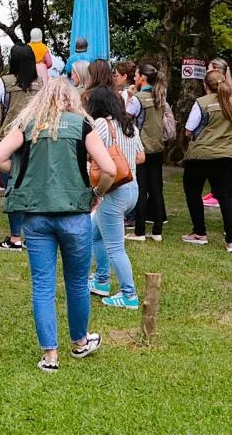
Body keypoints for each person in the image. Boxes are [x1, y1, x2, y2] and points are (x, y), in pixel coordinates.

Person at [0, 77, 114, 372]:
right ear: (71, 99)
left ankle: (50, 355)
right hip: (74, 214)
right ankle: (80, 342)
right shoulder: (81, 126)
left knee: (42, 285)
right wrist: (97, 193)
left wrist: (22, 170)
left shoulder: (28, 125)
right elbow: (108, 168)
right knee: (77, 282)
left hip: (36, 215)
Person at [85, 86, 144, 308]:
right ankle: (101, 280)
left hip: (112, 189)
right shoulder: (130, 125)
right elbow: (141, 156)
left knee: (115, 247)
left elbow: (89, 150)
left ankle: (129, 294)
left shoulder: (101, 125)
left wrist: (97, 188)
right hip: (132, 187)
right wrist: (123, 160)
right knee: (94, 234)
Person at [180, 70, 232, 252]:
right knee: (227, 196)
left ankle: (199, 232)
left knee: (193, 191)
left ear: (205, 85)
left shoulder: (201, 103)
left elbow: (189, 128)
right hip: (229, 154)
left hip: (202, 155)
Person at [0, 44, 42, 250]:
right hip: (36, 136)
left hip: (11, 136)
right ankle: (33, 234)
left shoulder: (5, 82)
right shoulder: (40, 83)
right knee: (34, 183)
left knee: (12, 184)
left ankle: (14, 237)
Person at [126, 62, 167, 241]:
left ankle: (139, 231)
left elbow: (125, 119)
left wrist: (129, 96)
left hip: (141, 147)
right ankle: (157, 231)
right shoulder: (160, 96)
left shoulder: (138, 98)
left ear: (142, 77)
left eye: (136, 74)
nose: (134, 77)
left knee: (141, 189)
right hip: (157, 147)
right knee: (156, 188)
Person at [200, 58, 231, 208]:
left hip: (221, 139)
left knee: (218, 169)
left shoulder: (227, 94)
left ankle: (218, 194)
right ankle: (214, 192)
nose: (206, 71)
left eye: (209, 69)